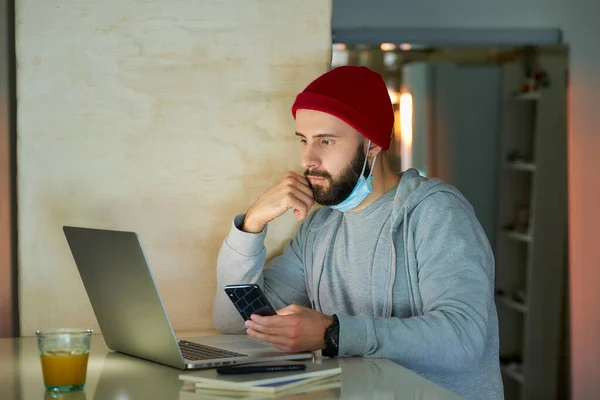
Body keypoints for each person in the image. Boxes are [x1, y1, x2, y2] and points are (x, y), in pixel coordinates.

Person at [212, 66, 503, 399]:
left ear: (372, 145)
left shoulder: (436, 213)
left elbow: (463, 338)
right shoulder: (319, 228)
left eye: (326, 141)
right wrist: (252, 225)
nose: (309, 159)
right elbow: (234, 322)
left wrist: (332, 333)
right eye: (304, 140)